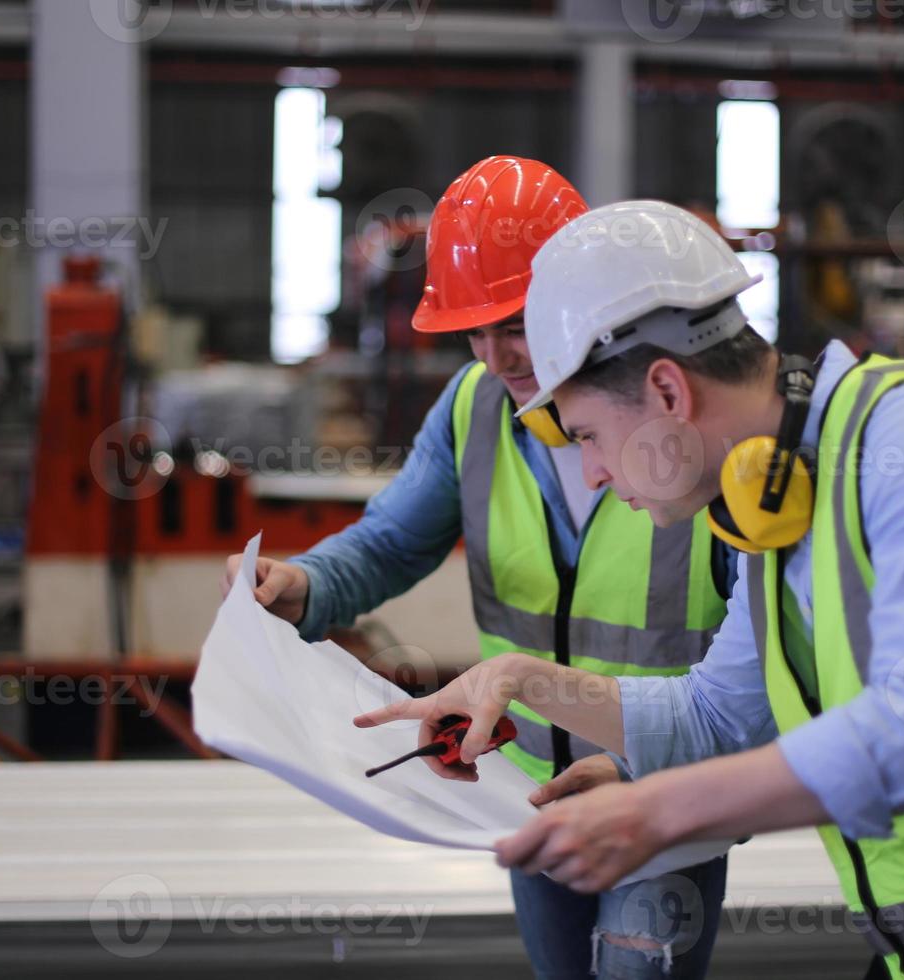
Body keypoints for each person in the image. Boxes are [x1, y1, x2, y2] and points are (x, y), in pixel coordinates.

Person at [355, 200, 904, 979]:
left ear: (666, 391)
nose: (599, 474)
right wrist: (519, 680)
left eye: (587, 436)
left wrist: (660, 813)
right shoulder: (773, 511)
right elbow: (714, 719)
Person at [226, 163, 740, 979]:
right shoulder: (473, 411)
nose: (498, 355)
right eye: (475, 330)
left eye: (515, 322)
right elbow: (392, 541)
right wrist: (309, 586)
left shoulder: (676, 432)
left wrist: (655, 770)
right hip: (532, 786)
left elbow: (758, 680)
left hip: (661, 789)